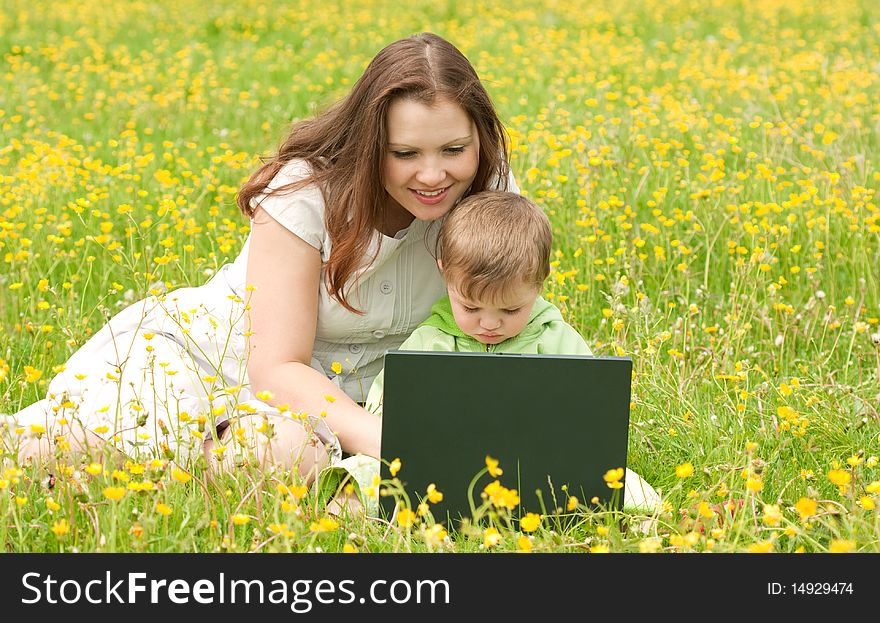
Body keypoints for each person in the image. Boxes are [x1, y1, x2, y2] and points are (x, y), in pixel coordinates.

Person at [12, 32, 518, 485]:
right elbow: (276, 369)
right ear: (369, 143)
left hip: (356, 402)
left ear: (480, 140)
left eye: (454, 149)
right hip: (217, 365)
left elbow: (514, 311)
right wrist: (390, 442)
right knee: (85, 448)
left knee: (291, 459)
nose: (432, 176)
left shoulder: (490, 196)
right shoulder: (305, 194)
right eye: (405, 154)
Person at [318, 191, 661, 515]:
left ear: (540, 282)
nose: (489, 325)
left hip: (537, 461)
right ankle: (352, 507)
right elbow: (386, 415)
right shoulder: (431, 340)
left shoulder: (554, 337)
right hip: (438, 459)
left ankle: (645, 516)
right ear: (444, 274)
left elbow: (590, 416)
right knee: (368, 470)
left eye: (510, 311)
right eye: (470, 307)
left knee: (615, 476)